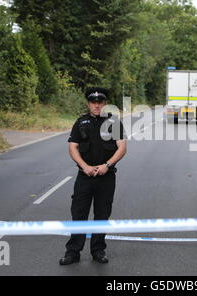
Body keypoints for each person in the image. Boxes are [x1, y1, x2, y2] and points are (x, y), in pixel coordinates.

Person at [59, 87, 127, 265]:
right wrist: (85, 167)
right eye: (93, 102)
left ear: (105, 104)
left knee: (102, 214)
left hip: (106, 177)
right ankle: (73, 252)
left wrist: (107, 165)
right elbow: (72, 147)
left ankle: (98, 250)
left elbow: (122, 147)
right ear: (88, 104)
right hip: (85, 176)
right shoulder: (81, 122)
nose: (96, 105)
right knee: (78, 214)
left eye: (100, 102)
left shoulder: (114, 123)